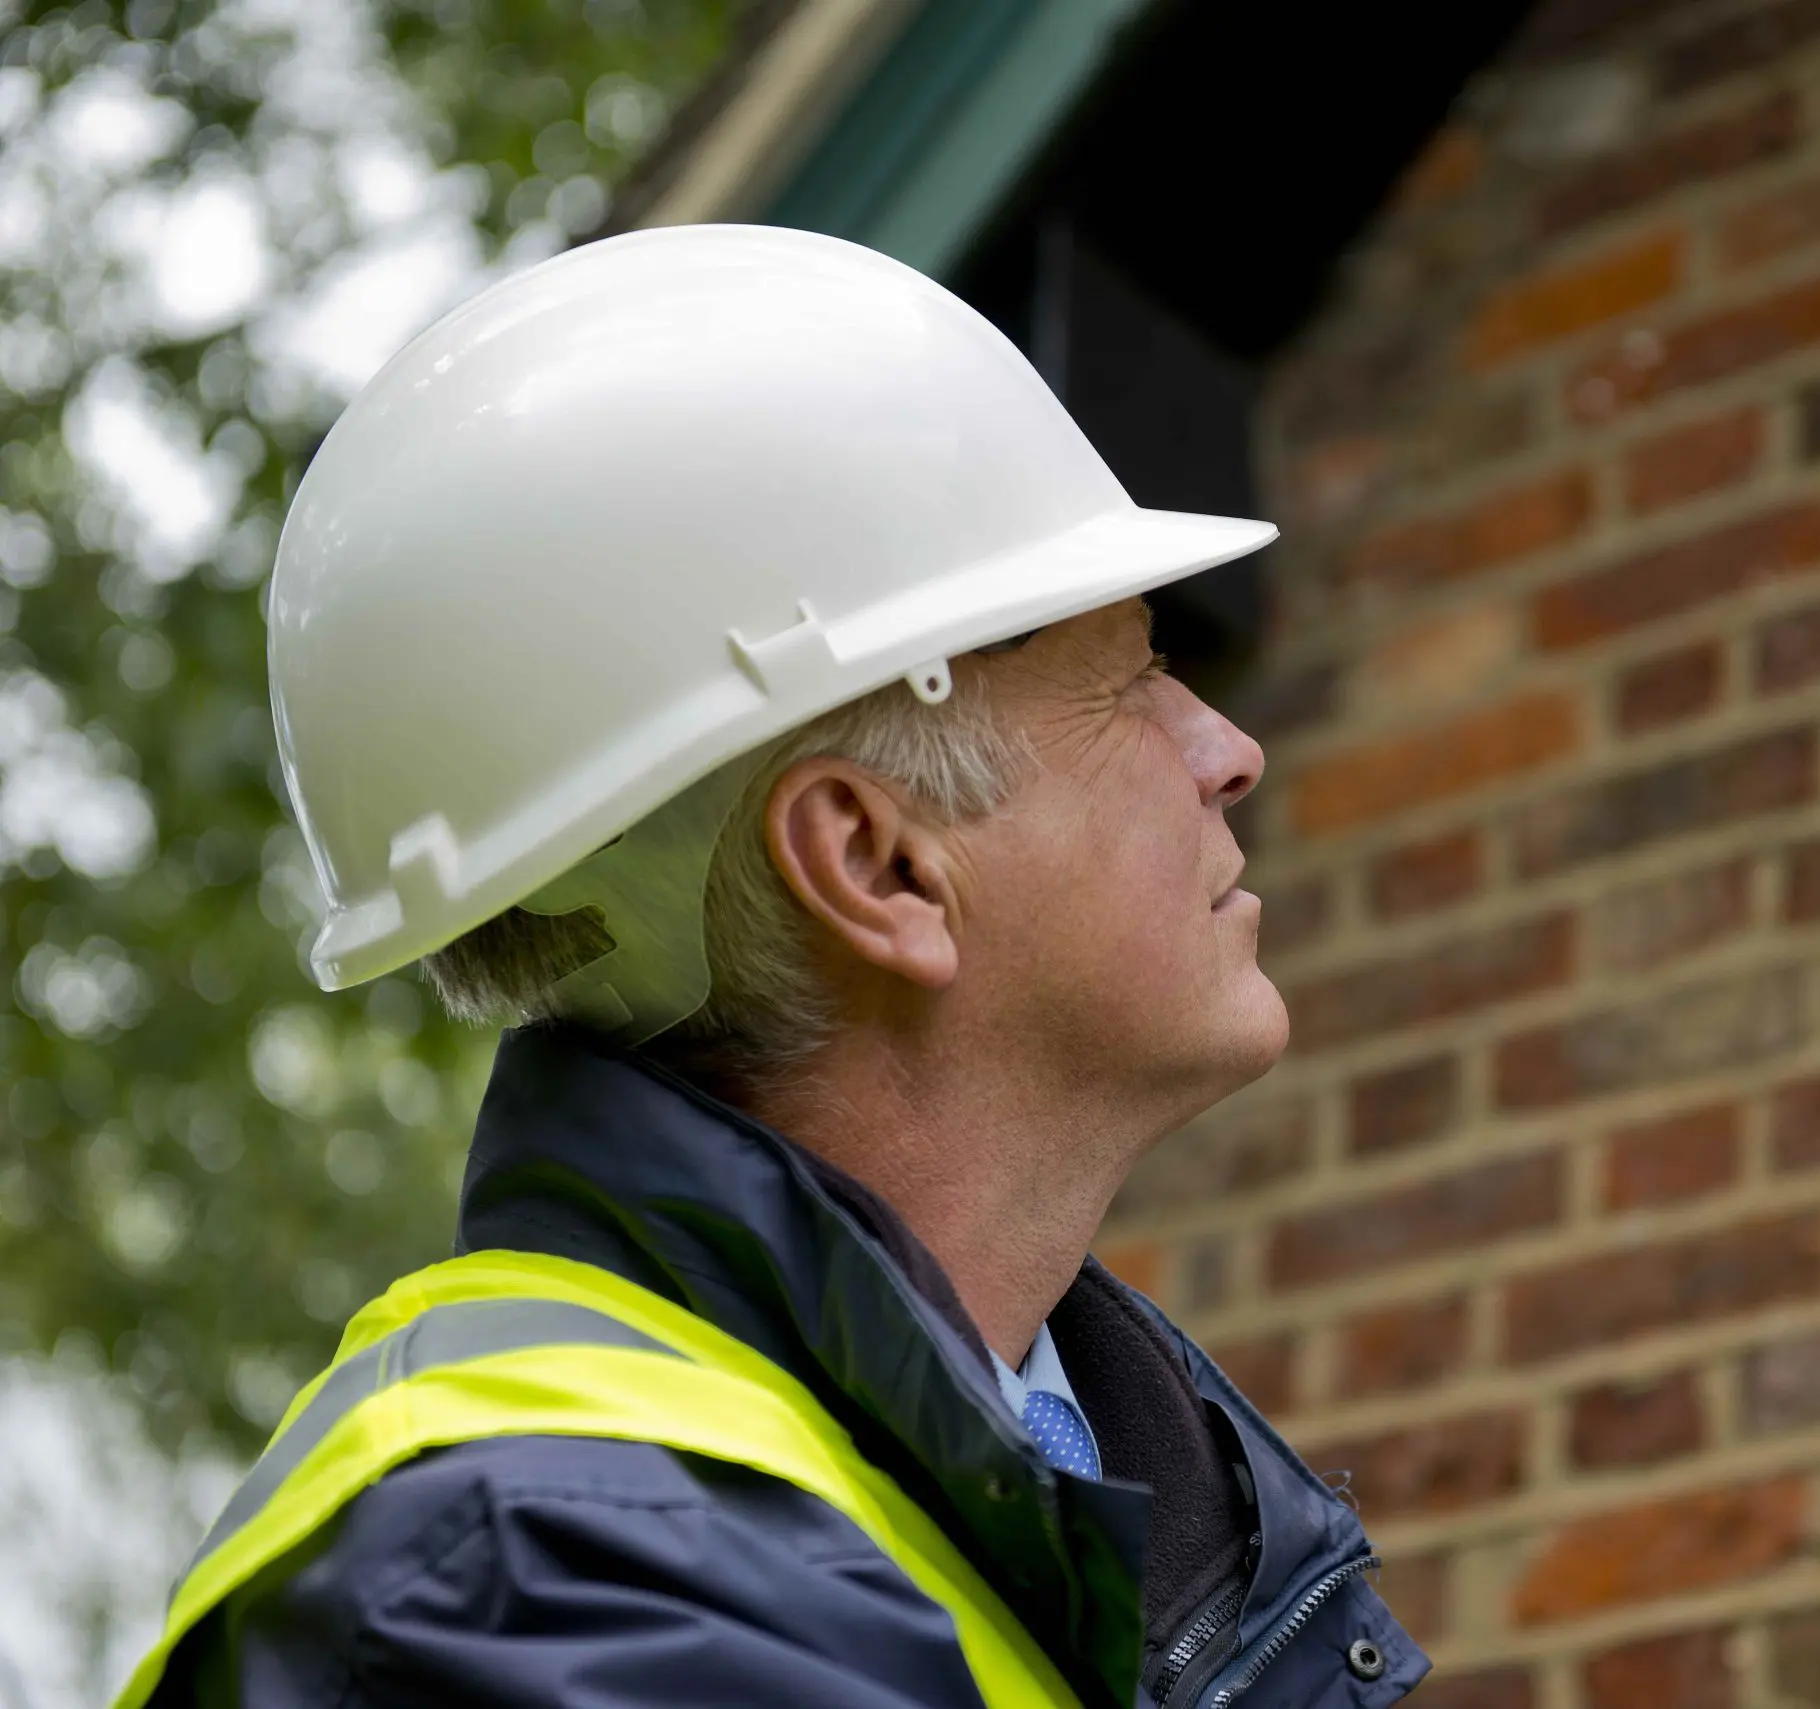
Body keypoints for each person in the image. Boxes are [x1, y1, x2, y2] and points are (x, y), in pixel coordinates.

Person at [115, 225, 1425, 1709]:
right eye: (1128, 680)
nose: (1227, 752)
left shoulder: (1010, 1510)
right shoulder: (536, 1586)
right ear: (878, 865)